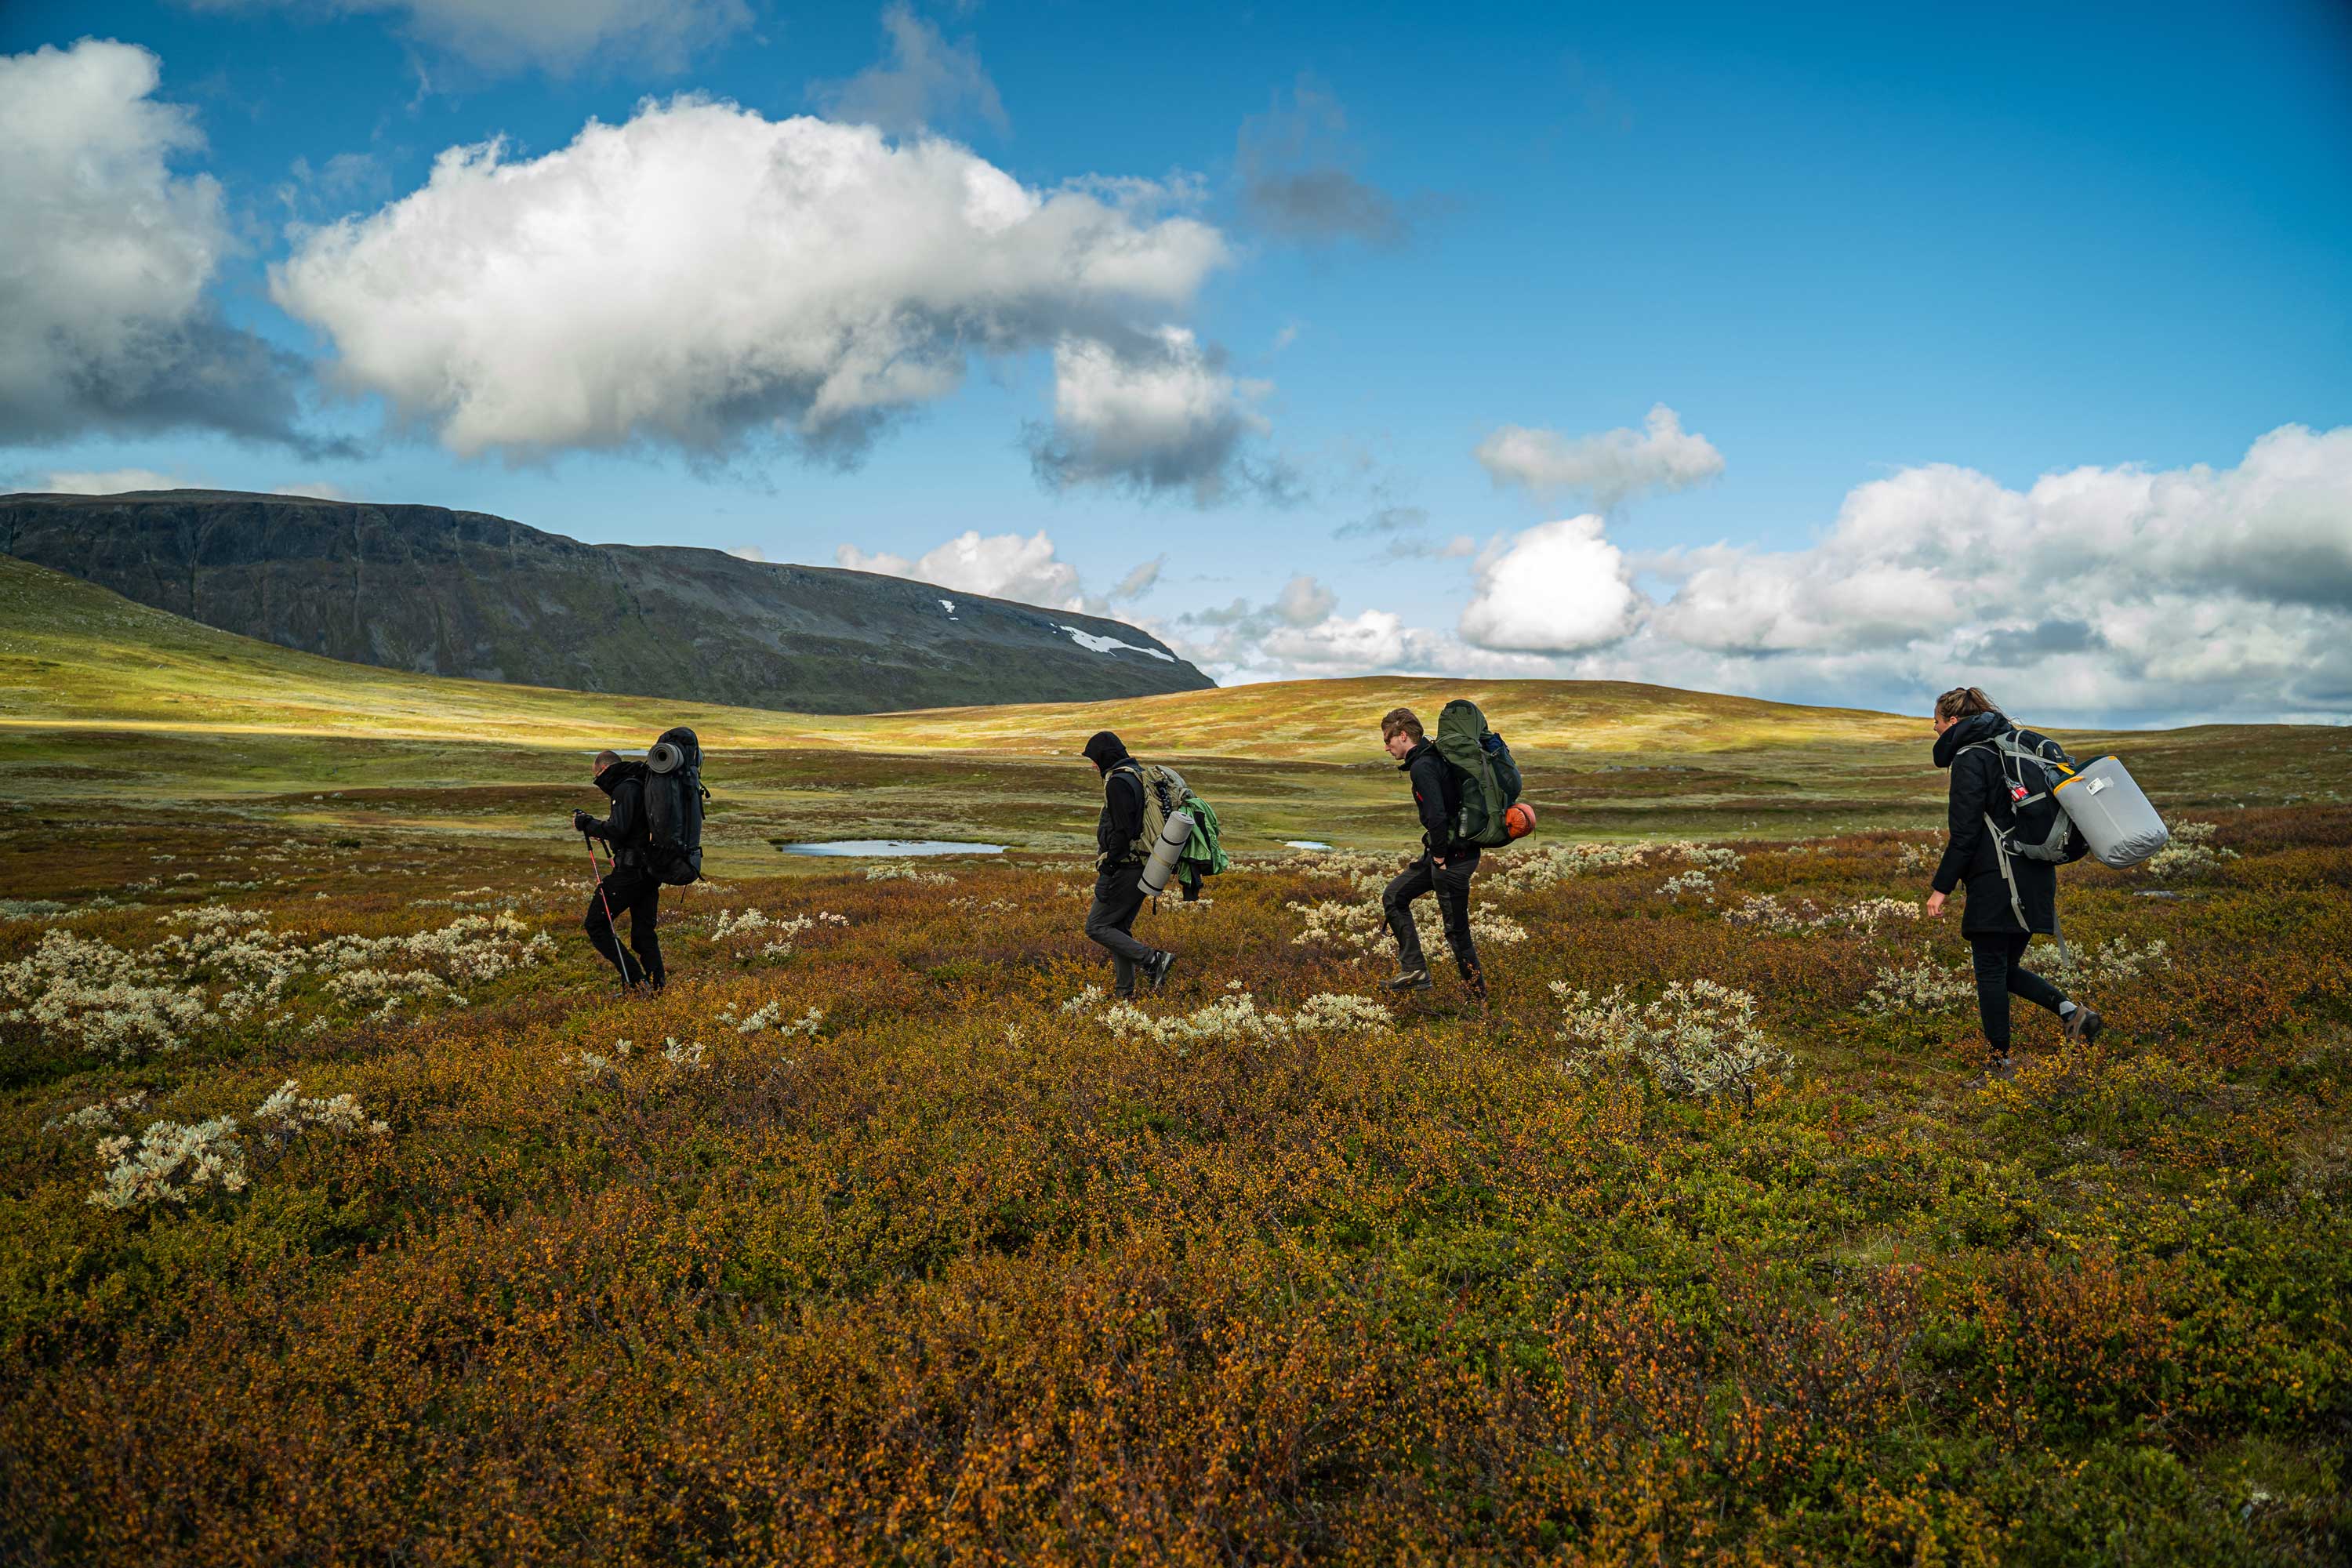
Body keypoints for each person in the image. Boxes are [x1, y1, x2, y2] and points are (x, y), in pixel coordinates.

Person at [1926, 686, 2101, 1082]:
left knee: (1990, 971)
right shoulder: (2005, 753)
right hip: (2035, 875)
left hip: (1998, 880)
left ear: (1953, 722)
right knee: (2003, 968)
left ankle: (1998, 1063)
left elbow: (1966, 833)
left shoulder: (1971, 758)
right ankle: (2073, 1014)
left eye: (1936, 720)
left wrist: (1942, 888)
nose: (1933, 728)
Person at [1378, 707, 1486, 1004]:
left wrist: (1439, 857)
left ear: (1403, 735)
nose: (1386, 747)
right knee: (1395, 896)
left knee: (1456, 932)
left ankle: (1478, 1001)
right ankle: (1415, 970)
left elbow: (1437, 816)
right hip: (1446, 853)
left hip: (1451, 858)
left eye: (1388, 740)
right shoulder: (1429, 757)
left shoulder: (1423, 765)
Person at [1081, 730, 1175, 998]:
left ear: (1104, 756)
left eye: (1094, 758)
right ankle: (1124, 993)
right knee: (1118, 928)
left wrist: (1109, 866)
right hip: (1145, 866)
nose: (1092, 765)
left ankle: (1153, 959)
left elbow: (1123, 831)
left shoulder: (1118, 782)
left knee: (1096, 927)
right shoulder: (1136, 775)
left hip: (1126, 866)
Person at [574, 749, 666, 992]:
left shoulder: (625, 788)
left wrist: (588, 824)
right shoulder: (641, 783)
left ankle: (636, 982)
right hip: (649, 872)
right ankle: (658, 988)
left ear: (604, 770)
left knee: (596, 924)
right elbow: (629, 830)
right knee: (643, 932)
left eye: (596, 776)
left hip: (631, 871)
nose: (597, 782)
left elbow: (618, 830)